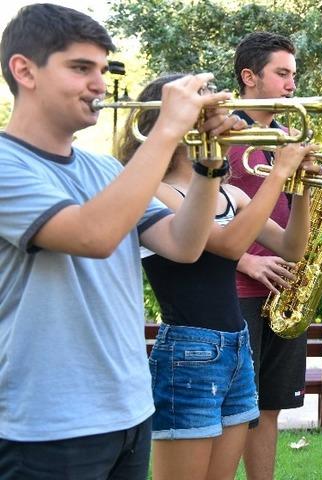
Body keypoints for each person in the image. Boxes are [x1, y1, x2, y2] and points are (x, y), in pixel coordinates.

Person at [0, 4, 237, 478]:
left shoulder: (107, 170)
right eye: (80, 68)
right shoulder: (7, 164)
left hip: (129, 410)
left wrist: (210, 164)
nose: (99, 84)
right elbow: (93, 235)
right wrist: (167, 130)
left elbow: (184, 244)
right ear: (24, 70)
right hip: (46, 425)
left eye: (102, 70)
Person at [117, 74, 318, 479]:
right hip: (188, 350)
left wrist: (301, 187)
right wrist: (278, 174)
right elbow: (228, 244)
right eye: (213, 113)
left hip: (235, 346)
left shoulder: (231, 194)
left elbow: (292, 247)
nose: (229, 121)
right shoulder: (157, 191)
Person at [225, 32, 314, 480]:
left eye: (293, 75)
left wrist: (319, 197)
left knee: (270, 406)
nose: (291, 85)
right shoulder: (222, 131)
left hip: (285, 288)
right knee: (236, 409)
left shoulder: (288, 137)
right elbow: (189, 211)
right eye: (282, 74)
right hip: (236, 286)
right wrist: (244, 260)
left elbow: (292, 214)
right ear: (249, 76)